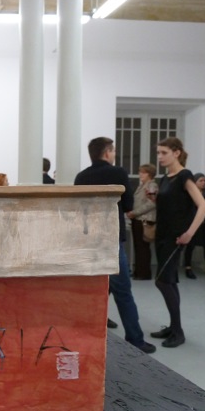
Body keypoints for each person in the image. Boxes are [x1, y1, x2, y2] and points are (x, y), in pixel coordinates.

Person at [74, 137, 156, 354]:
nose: (114, 154)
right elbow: (128, 205)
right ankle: (135, 339)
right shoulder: (118, 173)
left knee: (91, 289)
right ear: (107, 152)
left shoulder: (81, 177)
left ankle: (84, 336)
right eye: (113, 151)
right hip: (111, 238)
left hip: (89, 239)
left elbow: (77, 209)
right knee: (123, 291)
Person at [152, 137, 205, 348]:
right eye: (158, 153)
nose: (160, 157)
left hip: (175, 238)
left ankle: (178, 332)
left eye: (164, 153)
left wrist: (189, 233)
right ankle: (173, 327)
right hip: (162, 235)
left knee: (162, 281)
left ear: (176, 153)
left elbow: (203, 206)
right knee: (170, 281)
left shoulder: (185, 176)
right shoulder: (165, 178)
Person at [126, 163, 158, 280]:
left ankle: (144, 273)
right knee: (139, 247)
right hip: (138, 219)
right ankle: (139, 271)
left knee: (143, 247)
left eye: (143, 172)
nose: (140, 174)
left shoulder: (151, 186)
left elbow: (151, 203)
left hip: (144, 220)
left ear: (149, 174)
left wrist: (135, 212)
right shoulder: (142, 186)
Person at [184, 173, 205, 280]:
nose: (203, 183)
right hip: (194, 223)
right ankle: (188, 268)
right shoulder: (190, 194)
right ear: (195, 182)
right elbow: (186, 209)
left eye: (204, 180)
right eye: (201, 181)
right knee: (190, 246)